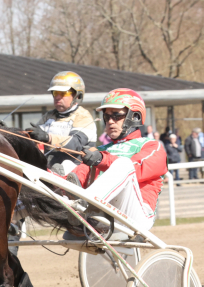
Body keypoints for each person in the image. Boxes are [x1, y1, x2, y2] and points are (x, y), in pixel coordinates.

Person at [65, 88, 166, 232]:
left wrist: (102, 160)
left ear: (135, 117)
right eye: (106, 117)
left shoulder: (152, 146)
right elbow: (75, 177)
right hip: (104, 214)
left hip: (137, 216)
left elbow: (137, 170)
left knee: (124, 164)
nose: (110, 122)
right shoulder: (100, 150)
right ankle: (81, 207)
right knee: (66, 170)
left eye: (117, 116)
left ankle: (84, 205)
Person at [28, 71, 96, 176]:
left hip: (76, 171)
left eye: (63, 93)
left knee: (66, 164)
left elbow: (76, 144)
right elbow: (33, 136)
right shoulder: (49, 116)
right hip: (49, 169)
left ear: (77, 95)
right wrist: (8, 132)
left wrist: (48, 137)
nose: (57, 97)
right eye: (55, 93)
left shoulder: (83, 116)